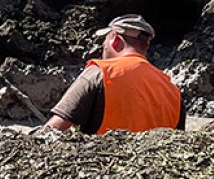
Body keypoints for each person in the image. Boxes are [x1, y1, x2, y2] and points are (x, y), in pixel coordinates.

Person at [45, 14, 183, 135]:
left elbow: (55, 130)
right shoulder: (172, 90)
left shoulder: (100, 73)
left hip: (99, 162)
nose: (102, 47)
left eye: (104, 41)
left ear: (115, 40)